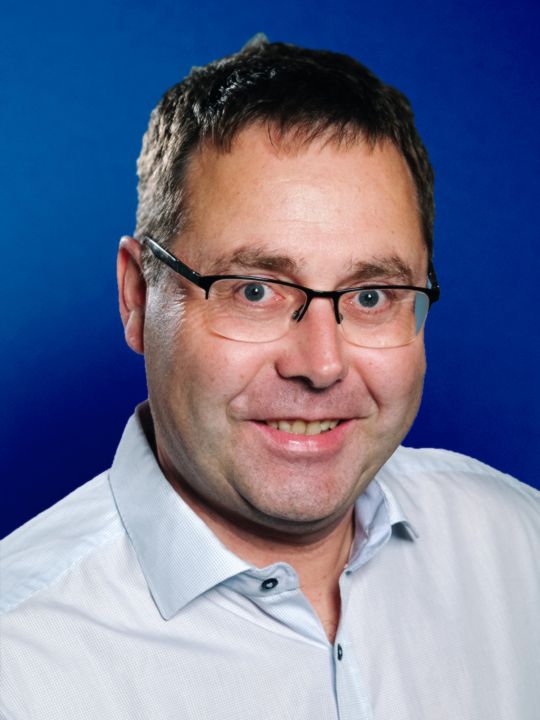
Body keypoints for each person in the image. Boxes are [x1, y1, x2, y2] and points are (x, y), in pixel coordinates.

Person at [1, 36, 539, 720]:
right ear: (137, 297)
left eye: (371, 295)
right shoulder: (20, 663)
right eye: (254, 290)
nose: (321, 365)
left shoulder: (520, 547)